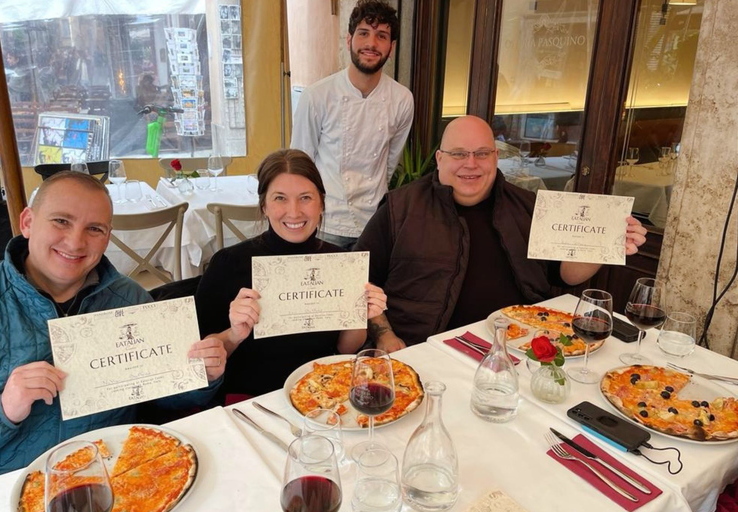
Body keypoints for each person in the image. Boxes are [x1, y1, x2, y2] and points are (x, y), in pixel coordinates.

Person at [0, 172, 226, 482]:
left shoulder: (130, 299)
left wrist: (203, 374)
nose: (76, 241)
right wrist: (2, 409)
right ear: (27, 222)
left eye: (94, 228)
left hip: (113, 477)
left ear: (108, 237)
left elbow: (164, 397)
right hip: (2, 486)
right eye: (61, 221)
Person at [355, 115, 648, 352]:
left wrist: (604, 243)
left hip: (521, 345)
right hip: (428, 349)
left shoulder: (529, 205)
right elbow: (359, 281)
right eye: (459, 154)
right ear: (440, 158)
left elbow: (565, 275)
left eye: (482, 153)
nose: (471, 164)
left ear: (496, 157)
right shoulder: (399, 208)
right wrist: (384, 336)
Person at [195, 149, 387, 398]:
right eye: (280, 198)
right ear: (264, 205)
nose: (294, 212)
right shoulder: (228, 263)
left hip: (324, 391)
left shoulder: (340, 263)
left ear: (321, 203)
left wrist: (362, 314)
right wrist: (234, 334)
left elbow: (345, 347)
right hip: (252, 400)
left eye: (305, 198)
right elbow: (201, 357)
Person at [290, 0, 414, 250]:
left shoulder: (402, 100)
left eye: (382, 36)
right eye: (364, 33)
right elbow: (300, 164)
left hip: (374, 224)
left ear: (391, 47)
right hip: (326, 223)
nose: (371, 43)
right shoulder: (317, 96)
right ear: (349, 40)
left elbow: (389, 164)